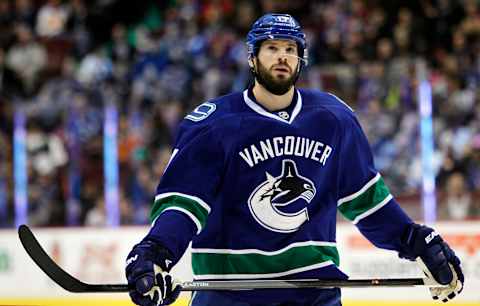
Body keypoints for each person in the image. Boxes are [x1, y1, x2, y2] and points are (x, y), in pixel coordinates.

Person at [125, 14, 464, 306]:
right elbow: (184, 208)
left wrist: (414, 240)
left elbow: (367, 203)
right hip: (230, 292)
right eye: (272, 48)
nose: (282, 56)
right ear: (252, 58)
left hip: (313, 291)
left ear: (301, 60)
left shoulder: (334, 119)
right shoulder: (213, 125)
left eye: (291, 49)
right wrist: (157, 250)